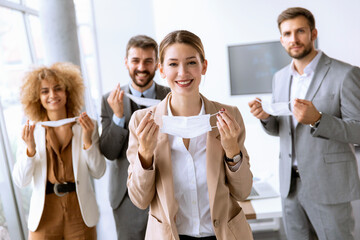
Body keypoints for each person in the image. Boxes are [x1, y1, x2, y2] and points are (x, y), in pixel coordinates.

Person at [126, 30, 253, 240]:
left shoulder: (228, 116)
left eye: (192, 63)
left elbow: (243, 191)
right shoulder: (142, 121)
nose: (183, 72)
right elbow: (140, 199)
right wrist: (145, 155)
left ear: (204, 66)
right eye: (173, 64)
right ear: (161, 70)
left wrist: (232, 151)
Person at [248, 7, 360, 240]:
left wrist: (319, 119)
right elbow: (283, 130)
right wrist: (266, 118)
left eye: (300, 31)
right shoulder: (279, 77)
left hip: (329, 185)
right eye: (287, 34)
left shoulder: (345, 74)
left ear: (313, 33)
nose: (294, 39)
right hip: (290, 186)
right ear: (281, 39)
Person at [12, 62, 106, 239]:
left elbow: (99, 171)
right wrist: (30, 150)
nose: (52, 95)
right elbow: (21, 181)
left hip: (79, 211)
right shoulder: (30, 131)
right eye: (44, 91)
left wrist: (87, 140)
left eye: (58, 88)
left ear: (68, 91)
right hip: (44, 212)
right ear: (37, 97)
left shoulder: (86, 126)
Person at [99, 35, 170, 239]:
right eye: (135, 61)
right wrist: (118, 117)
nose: (141, 67)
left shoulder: (171, 96)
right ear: (126, 62)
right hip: (126, 195)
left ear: (157, 63)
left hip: (165, 188)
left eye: (148, 61)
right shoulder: (108, 100)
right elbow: (109, 152)